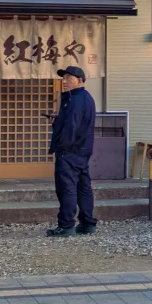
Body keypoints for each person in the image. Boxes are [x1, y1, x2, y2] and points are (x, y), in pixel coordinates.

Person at [47, 65, 97, 237]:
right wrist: (57, 120)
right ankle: (87, 223)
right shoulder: (86, 98)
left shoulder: (74, 100)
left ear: (80, 80)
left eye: (68, 78)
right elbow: (76, 123)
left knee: (66, 188)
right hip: (83, 150)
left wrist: (62, 147)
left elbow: (72, 127)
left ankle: (66, 225)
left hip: (70, 151)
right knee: (83, 187)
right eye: (63, 78)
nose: (64, 81)